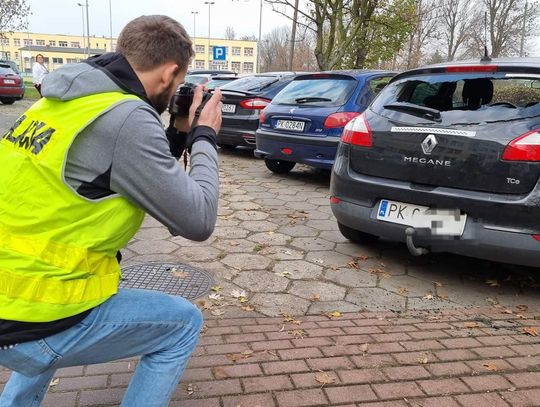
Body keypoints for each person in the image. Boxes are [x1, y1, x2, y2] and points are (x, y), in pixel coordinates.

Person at [0, 15, 222, 407]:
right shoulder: (127, 117)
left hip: (13, 301)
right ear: (170, 73)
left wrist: (178, 132)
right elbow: (197, 219)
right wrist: (205, 135)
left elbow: (130, 174)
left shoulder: (60, 103)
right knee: (183, 324)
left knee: (50, 312)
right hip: (33, 321)